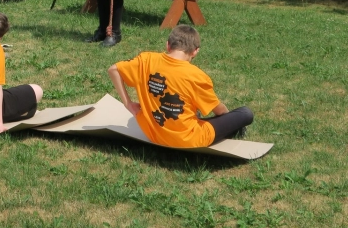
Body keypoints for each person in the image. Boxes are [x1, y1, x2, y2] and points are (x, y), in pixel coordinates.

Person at [107, 25, 254, 148]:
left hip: (154, 134)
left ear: (168, 45)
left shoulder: (146, 60)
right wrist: (229, 121)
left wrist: (128, 104)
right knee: (245, 113)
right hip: (188, 141)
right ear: (195, 51)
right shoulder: (196, 76)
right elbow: (220, 111)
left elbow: (113, 70)